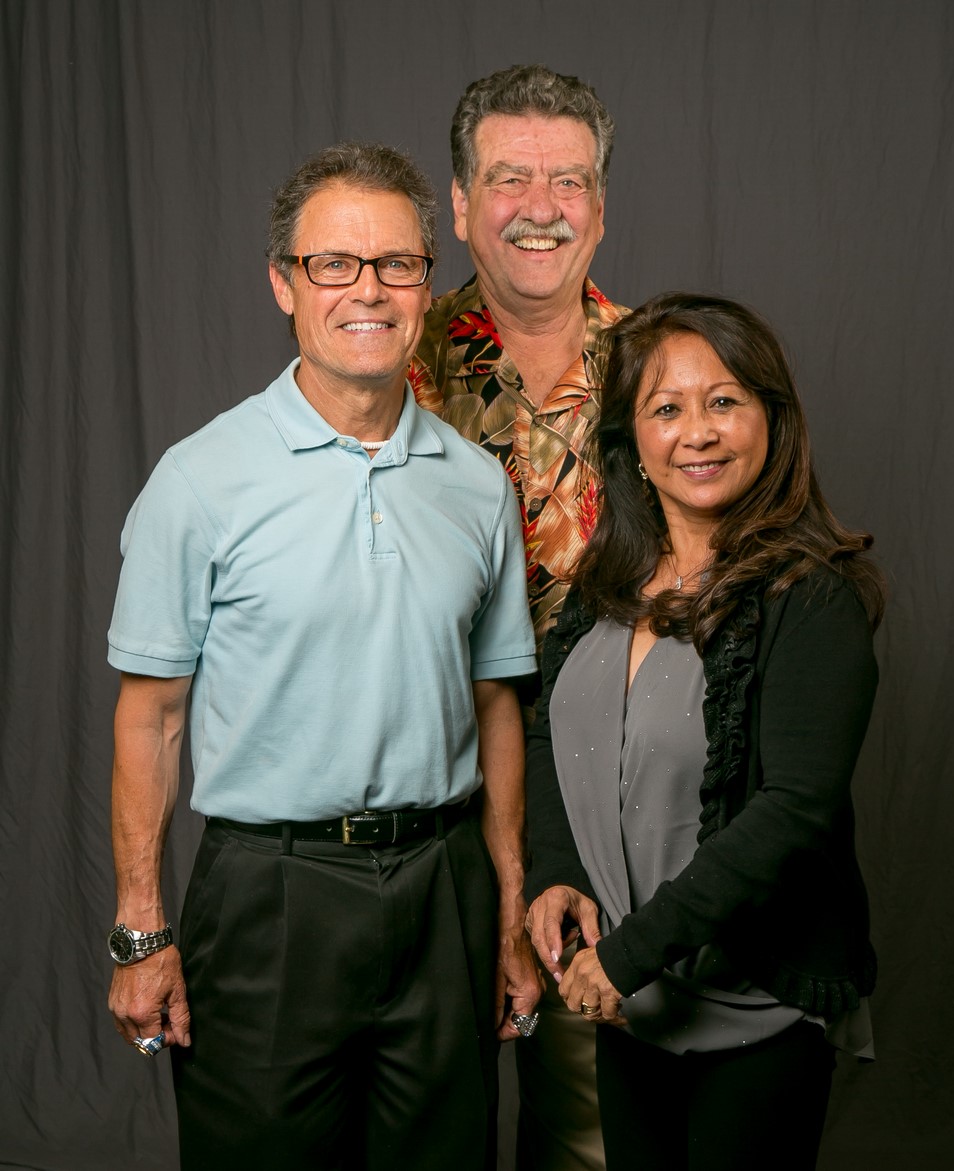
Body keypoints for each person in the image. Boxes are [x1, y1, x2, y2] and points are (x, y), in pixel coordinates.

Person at [105, 142, 540, 1171]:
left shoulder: (478, 486)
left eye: (395, 264)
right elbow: (151, 716)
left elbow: (495, 706)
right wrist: (140, 929)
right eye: (333, 264)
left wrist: (508, 910)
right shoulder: (200, 480)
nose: (368, 290)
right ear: (282, 285)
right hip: (270, 892)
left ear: (426, 286)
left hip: (443, 887)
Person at [524, 292, 886, 1170]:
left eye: (725, 400)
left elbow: (793, 811)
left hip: (750, 1007)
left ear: (772, 420)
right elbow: (551, 734)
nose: (700, 432)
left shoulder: (813, 596)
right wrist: (559, 872)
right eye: (667, 408)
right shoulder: (607, 588)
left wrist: (628, 954)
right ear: (633, 445)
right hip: (632, 1005)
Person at [410, 63, 626, 1171]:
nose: (540, 207)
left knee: (588, 1127)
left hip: (608, 814)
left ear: (600, 200)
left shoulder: (665, 372)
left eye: (568, 181)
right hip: (424, 811)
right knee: (424, 1117)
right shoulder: (383, 368)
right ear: (457, 204)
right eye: (508, 180)